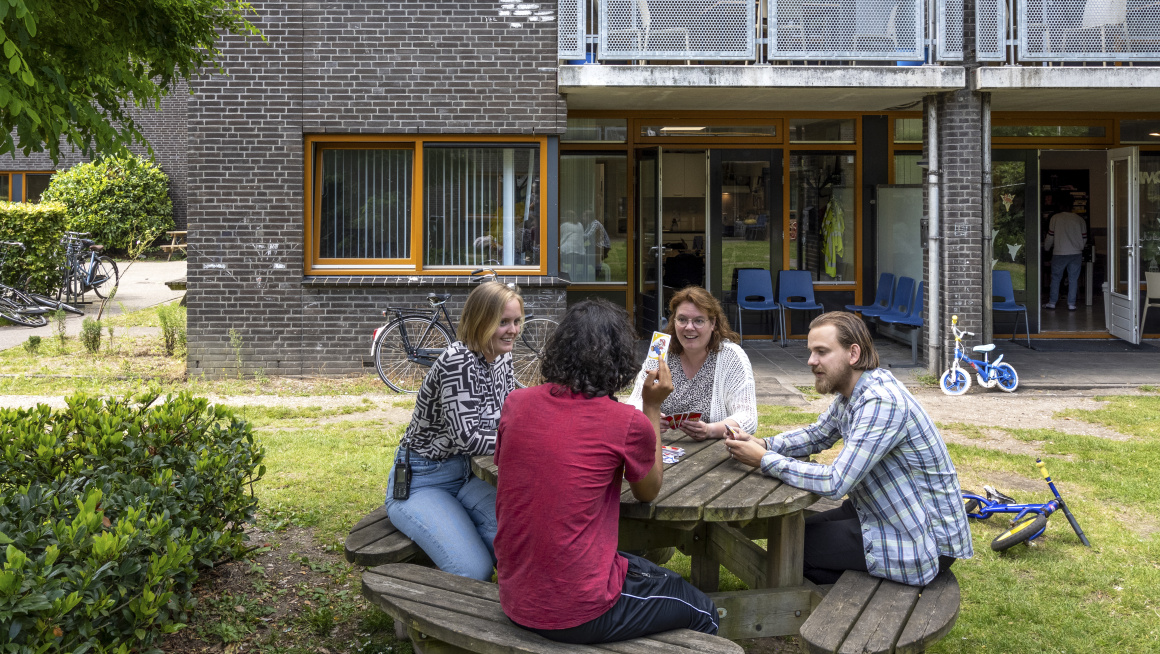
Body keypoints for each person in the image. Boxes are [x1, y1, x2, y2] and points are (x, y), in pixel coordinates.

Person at [493, 299, 719, 644]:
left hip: (516, 594)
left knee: (652, 572)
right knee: (705, 612)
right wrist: (652, 407)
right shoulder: (625, 422)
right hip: (579, 609)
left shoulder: (516, 403)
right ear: (620, 358)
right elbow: (648, 491)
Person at [723, 312, 973, 587]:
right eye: (811, 352)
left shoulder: (880, 402)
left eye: (821, 352)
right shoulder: (854, 393)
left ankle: (855, 604)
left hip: (922, 539)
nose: (811, 361)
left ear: (853, 353)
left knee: (793, 550)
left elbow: (835, 482)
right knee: (792, 534)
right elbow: (818, 434)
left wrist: (764, 460)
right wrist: (766, 444)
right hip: (882, 512)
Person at [383, 281, 524, 581]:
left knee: (523, 546)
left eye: (516, 321)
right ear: (482, 321)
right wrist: (527, 440)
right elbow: (468, 436)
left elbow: (512, 409)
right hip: (422, 481)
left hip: (469, 474)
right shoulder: (457, 362)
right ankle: (412, 606)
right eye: (503, 322)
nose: (512, 330)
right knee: (474, 570)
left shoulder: (503, 356)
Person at [628, 286, 758, 440]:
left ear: (713, 323)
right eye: (682, 319)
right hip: (660, 448)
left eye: (698, 321)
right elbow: (634, 403)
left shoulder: (731, 356)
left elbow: (748, 418)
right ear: (674, 321)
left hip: (715, 454)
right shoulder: (660, 351)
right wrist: (648, 415)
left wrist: (711, 430)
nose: (689, 327)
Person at [1043, 201, 1088, 311]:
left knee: (1056, 278)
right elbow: (1084, 237)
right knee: (1073, 279)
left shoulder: (1055, 218)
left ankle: (1052, 302)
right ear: (1072, 207)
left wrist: (1046, 248)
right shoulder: (1079, 219)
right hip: (1076, 253)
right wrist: (1080, 247)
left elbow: (1050, 236)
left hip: (1059, 252)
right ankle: (1071, 304)